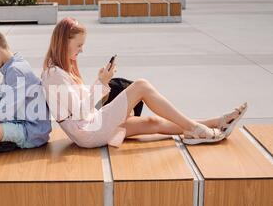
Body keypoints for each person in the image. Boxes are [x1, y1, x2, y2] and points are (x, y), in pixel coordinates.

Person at [41, 17, 247, 148]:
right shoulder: (53, 75)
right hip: (89, 131)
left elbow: (78, 104)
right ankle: (197, 130)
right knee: (141, 86)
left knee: (153, 123)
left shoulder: (60, 70)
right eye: (79, 45)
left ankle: (217, 122)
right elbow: (80, 112)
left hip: (93, 123)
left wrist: (102, 85)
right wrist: (101, 83)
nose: (82, 50)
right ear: (63, 42)